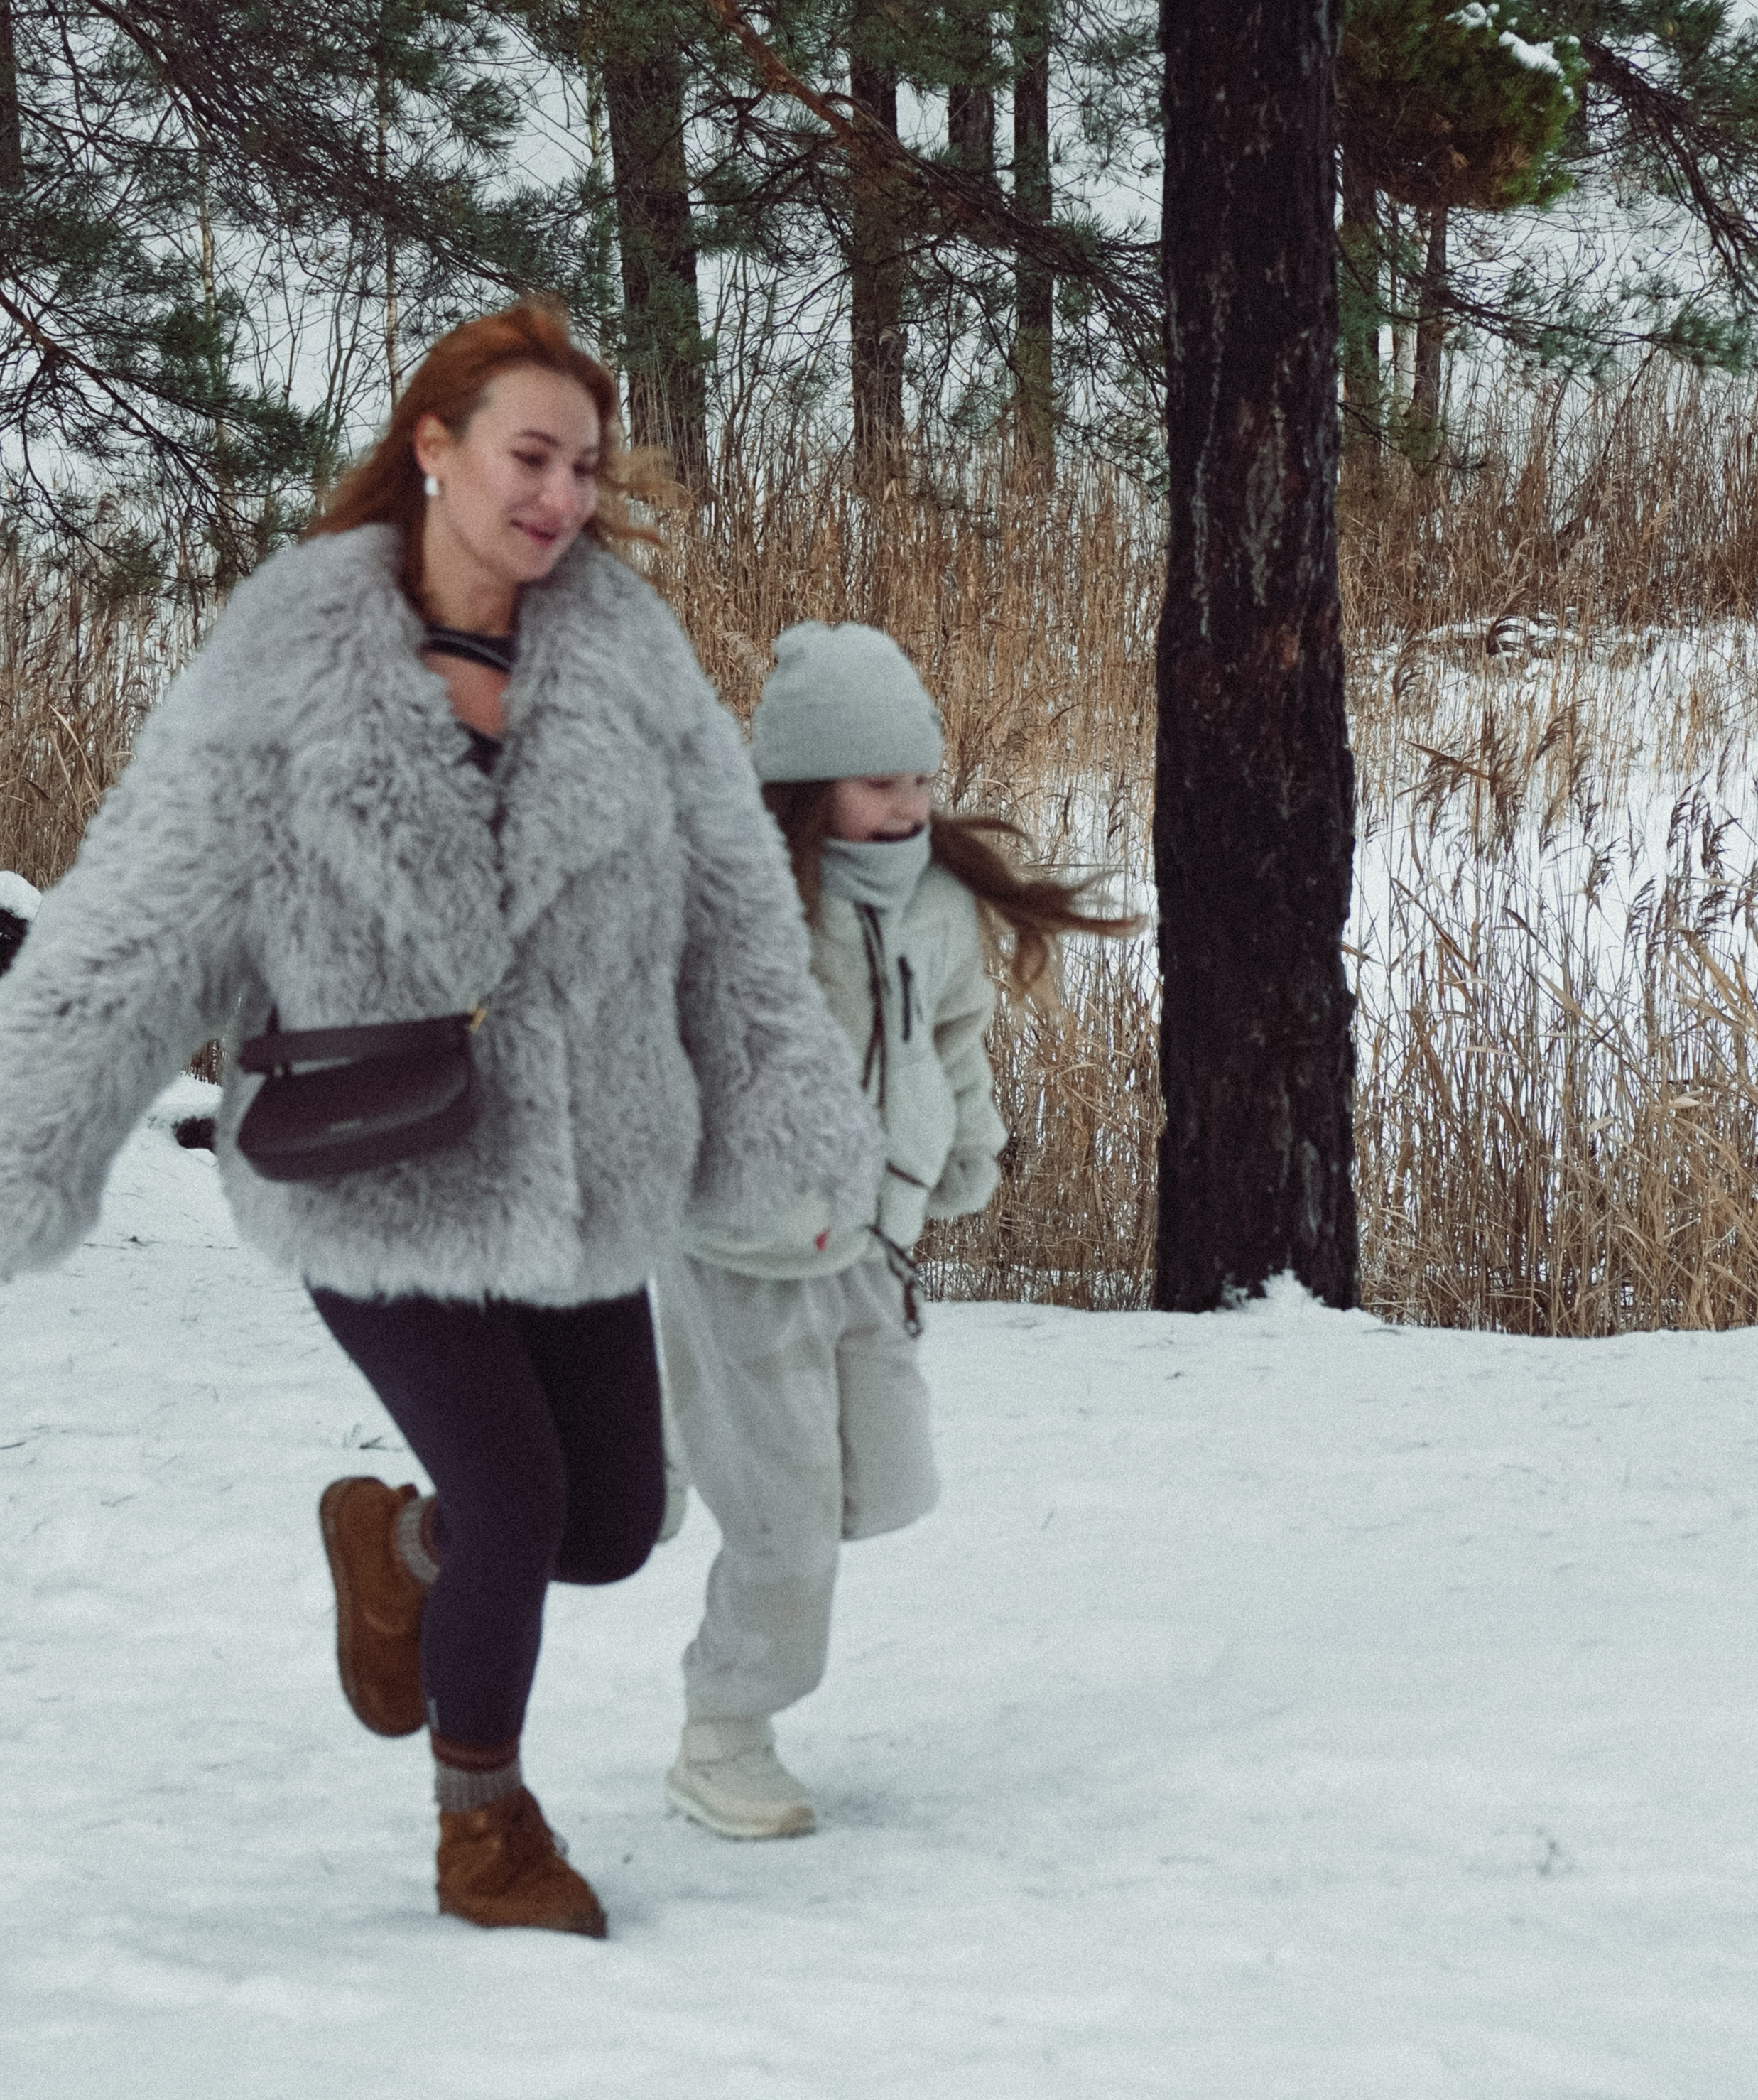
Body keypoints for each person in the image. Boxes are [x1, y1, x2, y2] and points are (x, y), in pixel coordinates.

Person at [0, 301, 880, 1937]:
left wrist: (783, 1119)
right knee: (523, 1497)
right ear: (435, 446)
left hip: (583, 1160)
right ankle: (486, 1829)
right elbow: (135, 917)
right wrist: (27, 1141)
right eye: (527, 456)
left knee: (611, 1524)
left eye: (584, 468)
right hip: (375, 1164)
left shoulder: (629, 658)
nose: (557, 497)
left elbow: (733, 911)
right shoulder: (288, 664)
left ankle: (396, 1552)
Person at [660, 619, 1138, 1839]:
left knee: (882, 1483)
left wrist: (964, 1145)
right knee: (788, 1523)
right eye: (881, 784)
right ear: (809, 788)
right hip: (745, 1251)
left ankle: (663, 1432)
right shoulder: (740, 904)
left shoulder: (932, 901)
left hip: (868, 1241)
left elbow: (952, 1037)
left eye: (922, 777)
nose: (912, 805)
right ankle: (723, 1732)